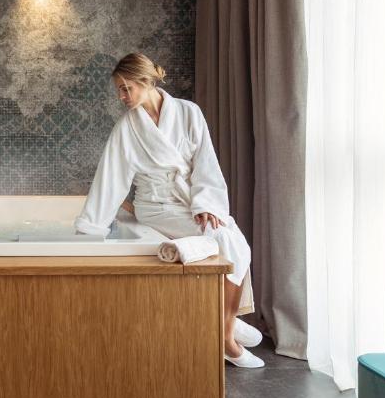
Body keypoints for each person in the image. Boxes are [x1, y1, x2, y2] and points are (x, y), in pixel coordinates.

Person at [74, 53, 265, 368]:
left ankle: (224, 321)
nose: (122, 97)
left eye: (126, 88)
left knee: (238, 243)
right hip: (157, 206)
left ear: (146, 82)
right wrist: (89, 230)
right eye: (119, 90)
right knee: (227, 241)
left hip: (191, 201)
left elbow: (206, 164)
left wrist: (206, 204)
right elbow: (111, 177)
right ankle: (227, 340)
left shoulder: (189, 113)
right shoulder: (127, 128)